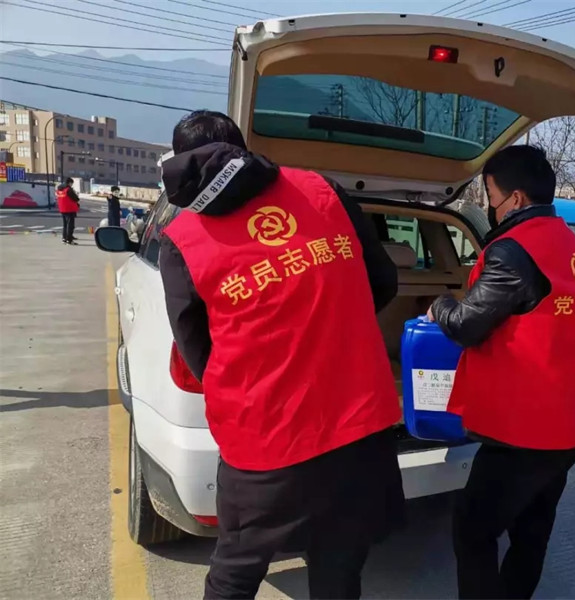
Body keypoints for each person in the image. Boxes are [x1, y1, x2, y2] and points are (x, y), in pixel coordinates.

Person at [158, 110, 403, 600]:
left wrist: (256, 374)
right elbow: (381, 282)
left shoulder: (182, 239)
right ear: (242, 147)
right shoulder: (321, 190)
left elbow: (197, 349)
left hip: (265, 439)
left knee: (236, 569)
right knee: (339, 563)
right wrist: (331, 330)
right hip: (357, 427)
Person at [428, 145, 575, 599]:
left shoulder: (512, 251)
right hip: (569, 423)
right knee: (531, 529)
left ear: (515, 198)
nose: (489, 206)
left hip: (526, 432)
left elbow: (465, 326)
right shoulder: (564, 239)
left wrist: (439, 304)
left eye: (490, 196)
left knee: (472, 529)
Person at [56, 177, 80, 245]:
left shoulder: (59, 189)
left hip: (62, 209)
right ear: (69, 183)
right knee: (70, 225)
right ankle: (69, 240)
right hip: (69, 209)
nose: (72, 185)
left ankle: (64, 238)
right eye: (72, 183)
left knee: (65, 225)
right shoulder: (68, 189)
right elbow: (76, 198)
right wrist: (76, 196)